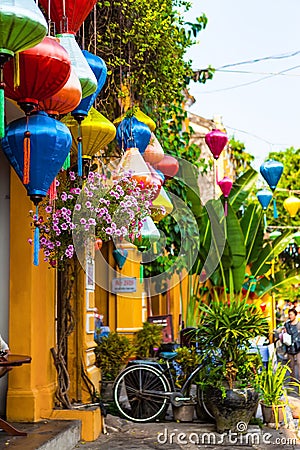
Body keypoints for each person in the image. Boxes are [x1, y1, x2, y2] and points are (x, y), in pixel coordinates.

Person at [283, 308, 300, 380]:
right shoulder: (287, 324)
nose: (290, 316)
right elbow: (283, 333)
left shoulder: (299, 324)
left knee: (299, 363)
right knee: (291, 364)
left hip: (298, 346)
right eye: (289, 315)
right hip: (289, 346)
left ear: (295, 315)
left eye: (291, 314)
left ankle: (299, 378)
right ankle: (292, 379)